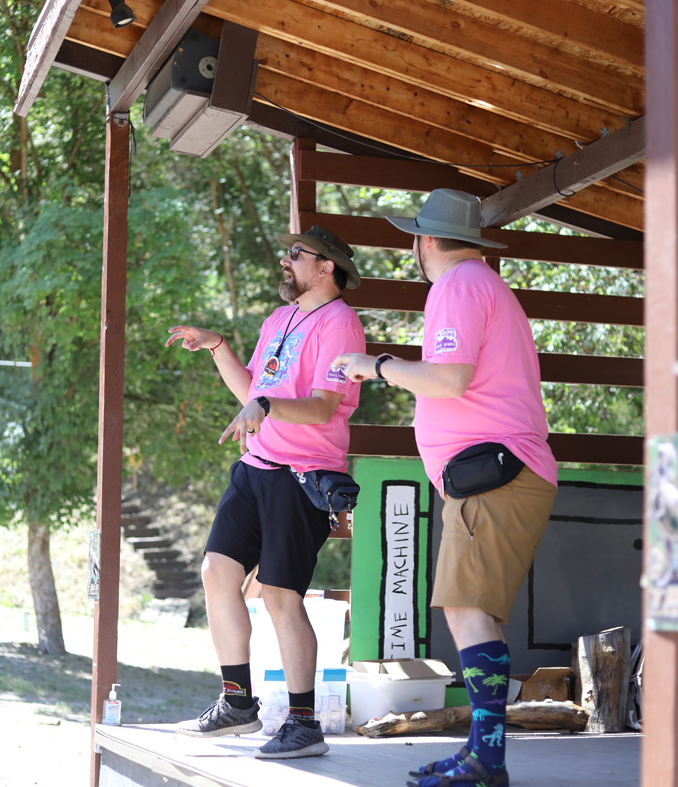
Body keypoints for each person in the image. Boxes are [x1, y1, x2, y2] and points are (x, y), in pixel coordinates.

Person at [331, 190, 557, 787]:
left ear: (425, 240)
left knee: (466, 609)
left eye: (414, 238)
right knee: (472, 610)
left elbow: (449, 379)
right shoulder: (483, 285)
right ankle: (482, 753)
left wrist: (375, 365)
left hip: (494, 479)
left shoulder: (458, 285)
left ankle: (487, 761)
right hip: (496, 475)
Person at [165, 225, 366, 760]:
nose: (285, 260)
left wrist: (267, 405)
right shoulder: (279, 318)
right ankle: (237, 702)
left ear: (325, 266)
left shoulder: (341, 324)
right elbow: (252, 391)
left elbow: (322, 406)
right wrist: (217, 347)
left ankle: (304, 725)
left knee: (280, 595)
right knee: (216, 572)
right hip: (255, 467)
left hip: (302, 474)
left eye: (296, 253)